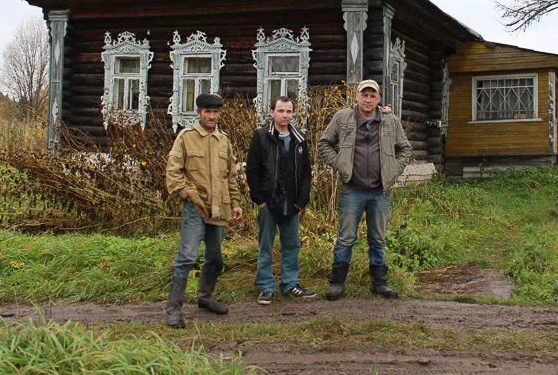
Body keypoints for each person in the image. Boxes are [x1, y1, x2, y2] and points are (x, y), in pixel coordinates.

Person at [317, 79, 412, 300]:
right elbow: (324, 143)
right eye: (364, 95)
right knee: (346, 238)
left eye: (372, 95)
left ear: (378, 99)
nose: (368, 99)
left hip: (380, 191)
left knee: (378, 238)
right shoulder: (342, 118)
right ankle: (337, 283)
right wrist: (340, 163)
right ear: (357, 96)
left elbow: (404, 148)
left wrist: (393, 170)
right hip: (352, 190)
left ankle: (379, 283)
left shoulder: (390, 120)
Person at [164, 93, 243, 328]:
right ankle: (173, 309)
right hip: (195, 208)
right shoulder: (186, 138)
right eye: (207, 112)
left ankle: (205, 296)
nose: (212, 116)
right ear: (199, 113)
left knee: (215, 258)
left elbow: (230, 175)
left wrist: (236, 203)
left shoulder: (223, 140)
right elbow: (173, 170)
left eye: (216, 112)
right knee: (187, 257)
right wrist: (186, 193)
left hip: (220, 208)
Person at [245, 95, 316, 305]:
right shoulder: (261, 136)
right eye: (281, 111)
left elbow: (306, 173)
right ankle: (266, 287)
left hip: (292, 203)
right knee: (266, 246)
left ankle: (290, 283)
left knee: (292, 245)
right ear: (272, 112)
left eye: (289, 111)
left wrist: (302, 199)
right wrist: (260, 200)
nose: (285, 115)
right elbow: (252, 170)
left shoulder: (299, 138)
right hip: (269, 203)